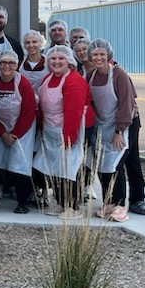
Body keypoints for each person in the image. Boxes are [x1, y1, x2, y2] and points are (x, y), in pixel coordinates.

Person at [86, 39, 145, 220]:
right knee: (103, 164)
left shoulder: (119, 75)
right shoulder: (90, 75)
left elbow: (126, 104)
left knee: (118, 163)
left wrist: (118, 132)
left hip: (125, 124)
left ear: (108, 55)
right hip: (102, 125)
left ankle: (125, 204)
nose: (98, 58)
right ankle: (109, 203)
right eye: (95, 55)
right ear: (90, 57)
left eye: (102, 54)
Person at [32, 45, 89, 220]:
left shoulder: (74, 80)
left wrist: (69, 136)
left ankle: (73, 206)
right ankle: (59, 202)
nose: (56, 62)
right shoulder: (47, 79)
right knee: (54, 168)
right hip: (50, 130)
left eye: (61, 59)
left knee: (68, 169)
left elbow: (74, 111)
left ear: (69, 61)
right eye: (53, 59)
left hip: (68, 129)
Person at [0, 50, 36, 214]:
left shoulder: (24, 84)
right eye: (3, 63)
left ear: (17, 65)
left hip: (22, 128)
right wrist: (2, 133)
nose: (7, 66)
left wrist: (14, 134)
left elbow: (28, 113)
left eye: (11, 63)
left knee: (20, 164)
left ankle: (23, 201)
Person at [19, 29, 48, 96]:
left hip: (45, 100)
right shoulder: (20, 64)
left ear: (40, 43)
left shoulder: (48, 62)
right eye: (28, 42)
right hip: (25, 99)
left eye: (34, 42)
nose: (31, 45)